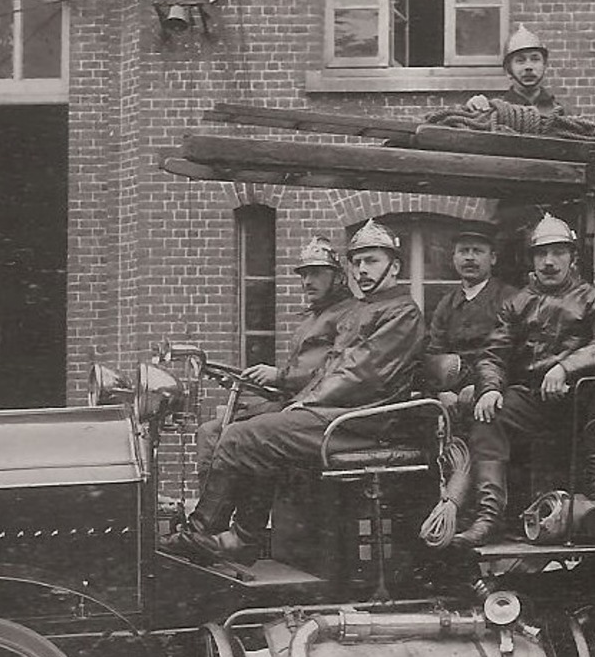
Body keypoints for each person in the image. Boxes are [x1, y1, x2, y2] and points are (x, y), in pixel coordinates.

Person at [170, 219, 424, 564]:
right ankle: (236, 536)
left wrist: (305, 400)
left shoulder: (402, 312)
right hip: (337, 414)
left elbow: (360, 374)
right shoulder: (365, 309)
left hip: (363, 423)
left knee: (242, 437)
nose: (362, 270)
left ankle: (209, 533)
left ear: (394, 266)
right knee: (238, 432)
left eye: (372, 261)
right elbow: (330, 368)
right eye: (357, 261)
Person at [453, 213, 595, 546]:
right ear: (531, 258)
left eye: (558, 252)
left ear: (573, 257)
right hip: (534, 401)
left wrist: (566, 368)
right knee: (487, 413)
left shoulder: (594, 298)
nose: (549, 262)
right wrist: (490, 389)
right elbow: (493, 355)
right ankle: (489, 515)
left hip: (580, 402)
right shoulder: (516, 303)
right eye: (541, 253)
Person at [195, 235, 354, 472]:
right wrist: (245, 382)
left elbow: (331, 374)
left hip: (316, 412)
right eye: (304, 274)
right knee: (208, 432)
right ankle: (222, 507)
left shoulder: (349, 316)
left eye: (317, 273)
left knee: (232, 434)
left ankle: (241, 509)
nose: (308, 281)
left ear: (339, 277)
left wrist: (279, 376)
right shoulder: (312, 318)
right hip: (290, 403)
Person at [426, 223, 518, 416]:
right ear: (454, 258)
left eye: (477, 251)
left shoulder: (510, 299)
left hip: (495, 393)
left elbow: (512, 355)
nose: (469, 257)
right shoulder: (446, 303)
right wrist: (442, 390)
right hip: (449, 397)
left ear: (492, 258)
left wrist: (479, 387)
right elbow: (434, 352)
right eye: (463, 251)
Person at [465, 24, 565, 117]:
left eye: (535, 59)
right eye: (520, 61)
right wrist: (473, 107)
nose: (528, 67)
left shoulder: (562, 112)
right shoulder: (495, 111)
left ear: (545, 66)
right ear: (508, 71)